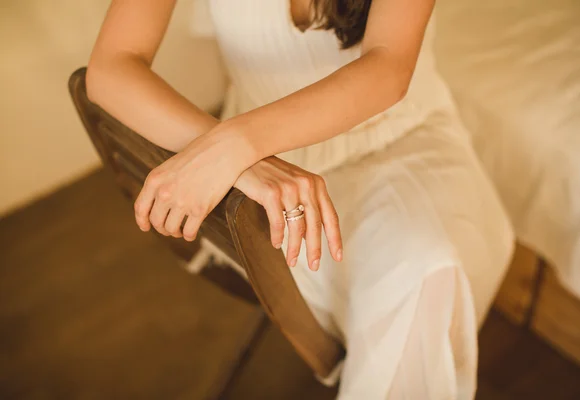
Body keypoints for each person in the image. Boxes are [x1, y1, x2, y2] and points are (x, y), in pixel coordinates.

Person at [87, 0, 514, 398]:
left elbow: (388, 64)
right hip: (270, 174)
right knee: (410, 298)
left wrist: (236, 145)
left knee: (427, 272)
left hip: (405, 140)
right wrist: (238, 159)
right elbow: (111, 67)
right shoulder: (246, 160)